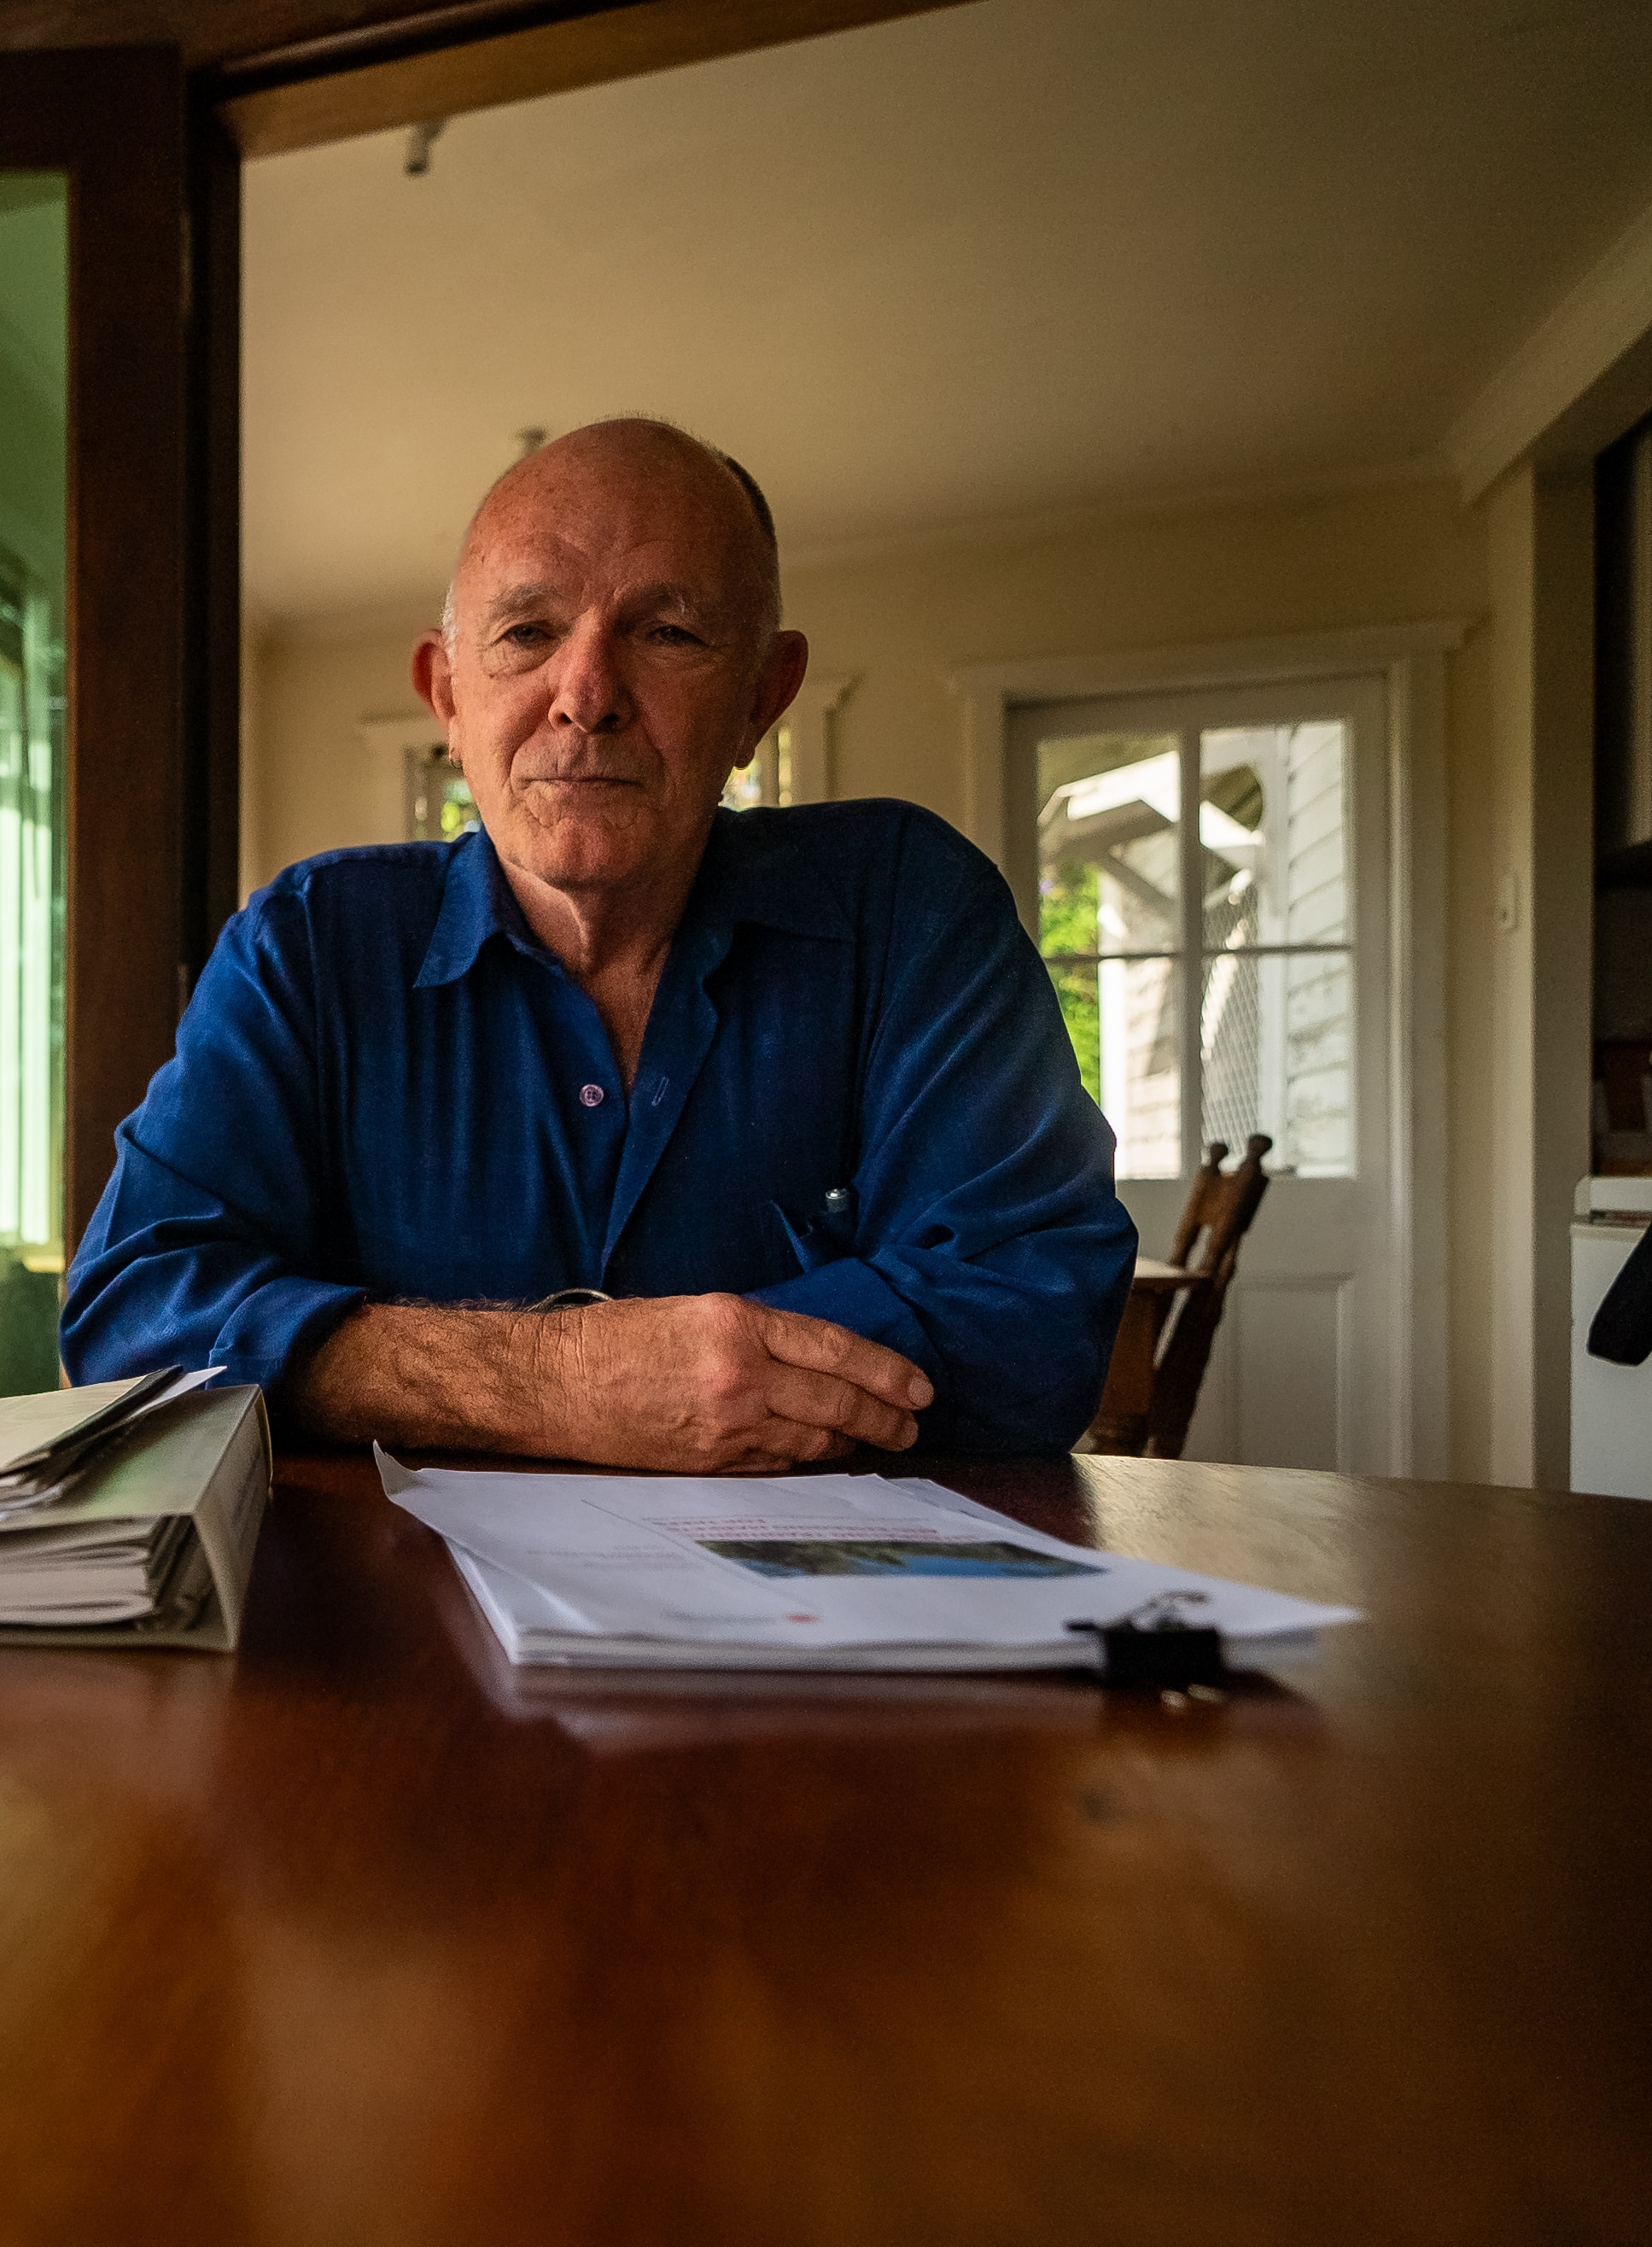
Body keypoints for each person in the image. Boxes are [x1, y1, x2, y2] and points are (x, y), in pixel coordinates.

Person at [61, 417, 1133, 1469]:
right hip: (395, 1624)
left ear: (763, 696)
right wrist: (562, 1381)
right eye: (526, 633)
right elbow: (129, 1315)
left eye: (666, 633)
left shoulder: (909, 909)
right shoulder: (305, 945)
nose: (585, 696)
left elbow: (1039, 1321)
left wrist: (372, 1366)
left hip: (816, 1629)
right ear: (446, 694)